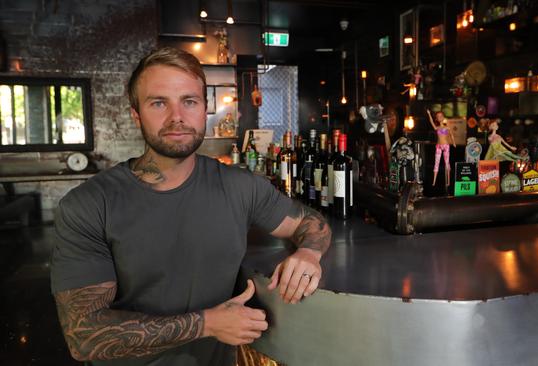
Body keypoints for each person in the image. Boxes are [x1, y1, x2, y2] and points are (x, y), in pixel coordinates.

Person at [50, 47, 332, 366]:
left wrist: (309, 253)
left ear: (204, 109)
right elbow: (83, 337)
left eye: (189, 101)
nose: (177, 117)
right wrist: (207, 324)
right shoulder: (88, 205)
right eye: (159, 103)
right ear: (136, 114)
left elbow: (310, 223)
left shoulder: (239, 186)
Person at [426, 110, 456, 187]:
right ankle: (434, 181)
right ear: (437, 118)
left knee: (447, 163)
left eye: (441, 116)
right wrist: (429, 114)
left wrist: (453, 142)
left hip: (446, 146)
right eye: (438, 117)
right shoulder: (437, 128)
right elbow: (431, 121)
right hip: (438, 146)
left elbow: (451, 135)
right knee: (436, 163)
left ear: (443, 117)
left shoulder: (447, 127)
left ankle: (448, 181)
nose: (439, 118)